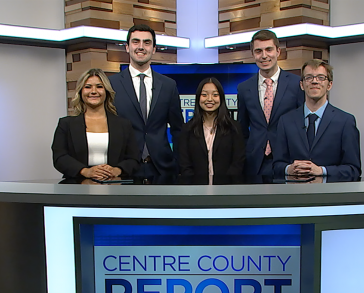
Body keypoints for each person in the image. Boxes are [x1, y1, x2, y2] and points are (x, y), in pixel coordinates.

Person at [109, 24, 184, 178]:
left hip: (162, 170)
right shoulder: (111, 84)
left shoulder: (168, 85)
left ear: (154, 49)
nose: (141, 47)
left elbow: (178, 130)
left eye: (147, 43)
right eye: (136, 42)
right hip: (123, 170)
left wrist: (178, 163)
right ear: (127, 47)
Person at [272, 59, 361, 179]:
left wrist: (321, 170)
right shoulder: (286, 121)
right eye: (309, 77)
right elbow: (277, 165)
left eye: (320, 77)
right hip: (295, 194)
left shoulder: (345, 121)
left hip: (330, 195)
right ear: (302, 85)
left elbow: (353, 169)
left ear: (329, 85)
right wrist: (289, 169)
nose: (314, 81)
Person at [237, 29, 304, 177]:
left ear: (278, 51)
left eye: (269, 49)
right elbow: (242, 129)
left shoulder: (296, 84)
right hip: (254, 163)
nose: (264, 56)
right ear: (253, 54)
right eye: (258, 51)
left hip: (287, 161)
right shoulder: (244, 88)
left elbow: (302, 125)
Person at [52, 68, 139, 180]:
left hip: (114, 186)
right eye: (88, 87)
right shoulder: (66, 124)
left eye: (99, 86)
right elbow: (59, 158)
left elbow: (134, 159)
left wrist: (116, 170)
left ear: (106, 91)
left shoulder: (123, 125)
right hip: (77, 187)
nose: (94, 91)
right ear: (81, 92)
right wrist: (86, 171)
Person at [179, 78, 245, 177]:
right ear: (198, 98)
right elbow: (184, 164)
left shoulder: (234, 128)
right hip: (196, 189)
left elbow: (238, 162)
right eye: (204, 95)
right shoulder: (187, 129)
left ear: (221, 98)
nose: (209, 99)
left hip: (227, 188)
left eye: (215, 95)